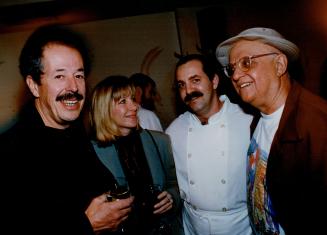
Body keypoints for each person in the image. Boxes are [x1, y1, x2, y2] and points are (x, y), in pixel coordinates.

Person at [0, 24, 134, 234]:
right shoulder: (10, 152)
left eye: (79, 75)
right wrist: (87, 225)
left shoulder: (75, 134)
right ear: (34, 85)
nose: (73, 87)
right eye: (60, 76)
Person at [216, 27, 327, 235]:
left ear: (279, 65)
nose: (236, 75)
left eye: (246, 62)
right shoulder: (258, 120)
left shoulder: (317, 124)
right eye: (232, 68)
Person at [165, 54, 253, 235]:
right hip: (193, 225)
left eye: (195, 80)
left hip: (239, 226)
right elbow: (170, 180)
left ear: (214, 81)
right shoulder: (174, 130)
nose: (188, 91)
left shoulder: (247, 121)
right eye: (181, 85)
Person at [89, 75, 183, 234]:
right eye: (123, 102)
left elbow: (177, 182)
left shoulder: (159, 141)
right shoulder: (90, 151)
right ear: (104, 108)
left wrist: (172, 197)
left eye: (133, 99)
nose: (135, 106)